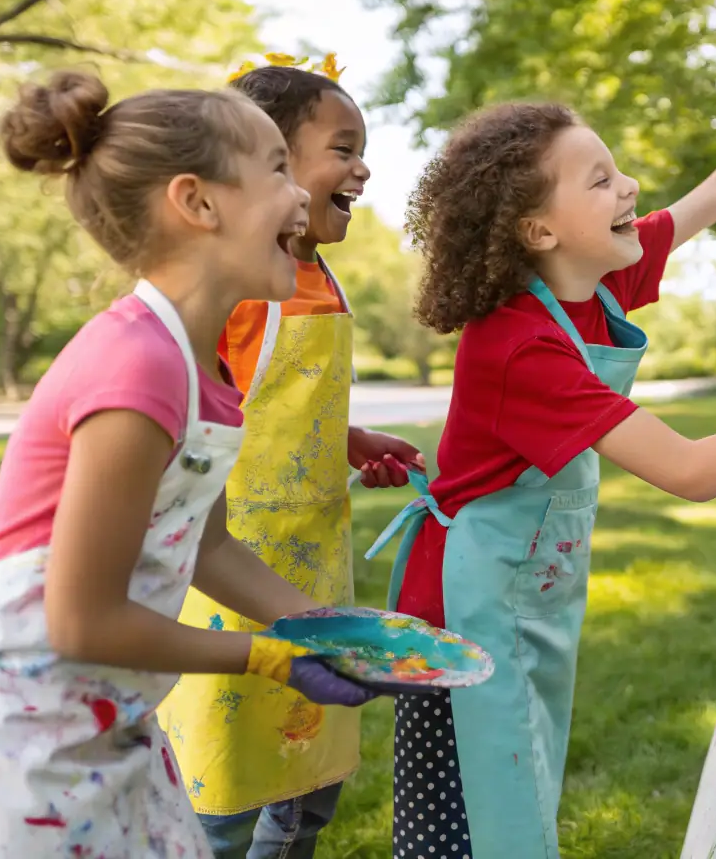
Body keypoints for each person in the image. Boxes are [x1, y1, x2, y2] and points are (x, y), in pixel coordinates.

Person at [365, 48, 716, 859]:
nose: (627, 186)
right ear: (539, 230)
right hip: (468, 609)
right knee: (476, 826)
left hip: (527, 586)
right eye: (599, 180)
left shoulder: (595, 283)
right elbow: (689, 471)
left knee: (522, 794)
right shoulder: (518, 348)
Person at [0, 70, 376, 859]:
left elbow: (207, 545)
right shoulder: (136, 365)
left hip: (103, 711)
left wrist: (330, 628)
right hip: (12, 727)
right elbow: (81, 620)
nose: (298, 197)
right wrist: (272, 657)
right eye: (278, 169)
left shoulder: (199, 365)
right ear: (198, 202)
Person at [159, 55, 425, 859]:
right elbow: (209, 416)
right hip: (230, 567)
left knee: (310, 778)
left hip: (315, 554)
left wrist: (348, 440)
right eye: (341, 147)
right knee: (223, 786)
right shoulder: (238, 287)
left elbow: (283, 400)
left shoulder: (319, 276)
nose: (362, 166)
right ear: (264, 164)